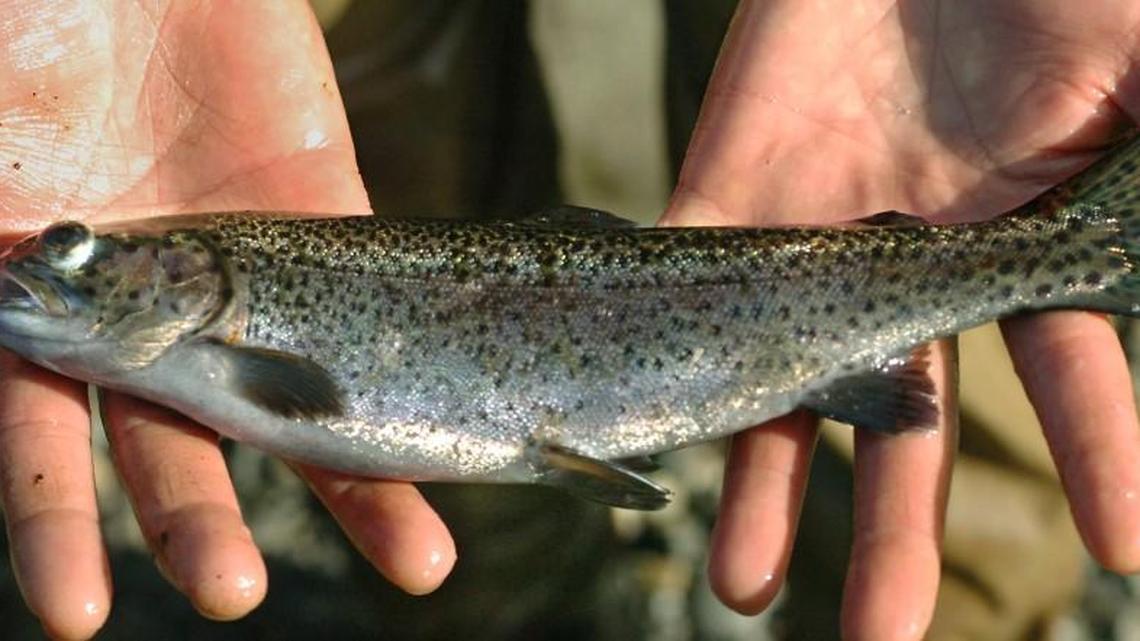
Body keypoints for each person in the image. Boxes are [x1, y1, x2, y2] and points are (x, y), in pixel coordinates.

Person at [1, 1, 1138, 640]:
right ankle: (535, 610)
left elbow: (297, 395)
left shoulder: (233, 311)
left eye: (75, 250)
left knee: (959, 496)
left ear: (190, 274)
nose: (49, 267)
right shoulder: (218, 308)